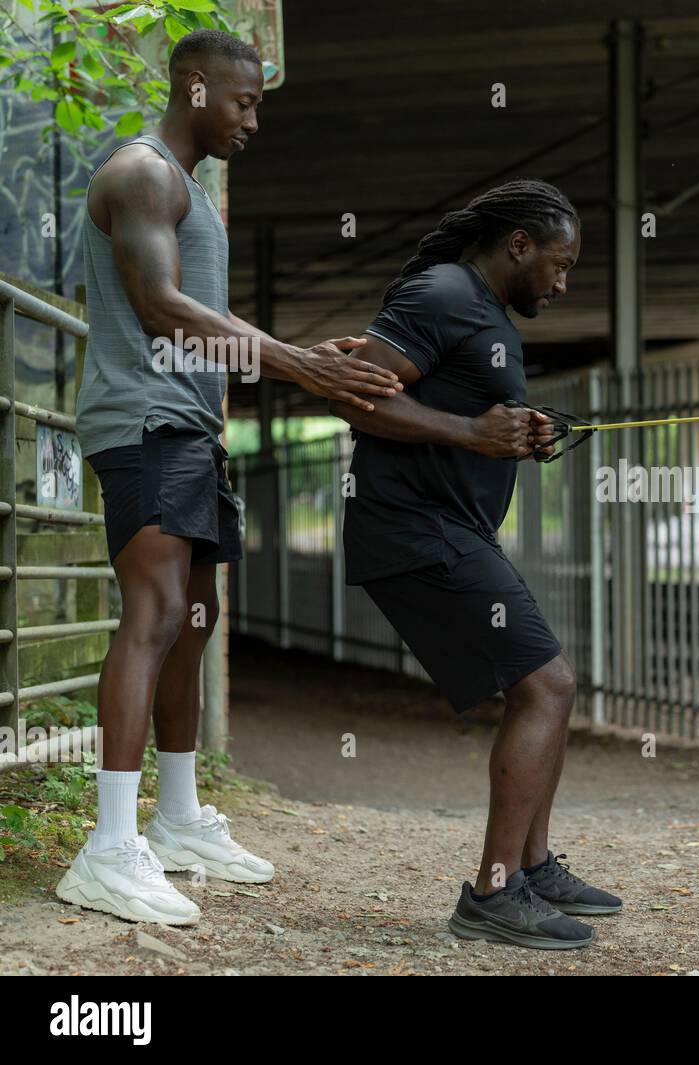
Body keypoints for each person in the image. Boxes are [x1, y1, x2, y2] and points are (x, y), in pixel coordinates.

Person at [56, 29, 403, 926]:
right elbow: (160, 305)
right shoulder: (141, 173)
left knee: (195, 620)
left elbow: (196, 311)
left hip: (190, 427)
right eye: (245, 102)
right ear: (196, 85)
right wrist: (300, 367)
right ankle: (106, 846)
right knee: (157, 613)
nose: (254, 120)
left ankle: (173, 820)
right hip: (143, 422)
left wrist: (296, 356)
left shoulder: (187, 188)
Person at [332, 179, 621, 950]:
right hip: (413, 530)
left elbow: (472, 413)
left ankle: (531, 867)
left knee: (550, 684)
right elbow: (353, 396)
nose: (562, 283)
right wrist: (470, 432)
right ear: (518, 245)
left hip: (449, 528)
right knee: (548, 683)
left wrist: (516, 432)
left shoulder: (483, 310)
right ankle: (493, 892)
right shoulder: (444, 292)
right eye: (558, 266)